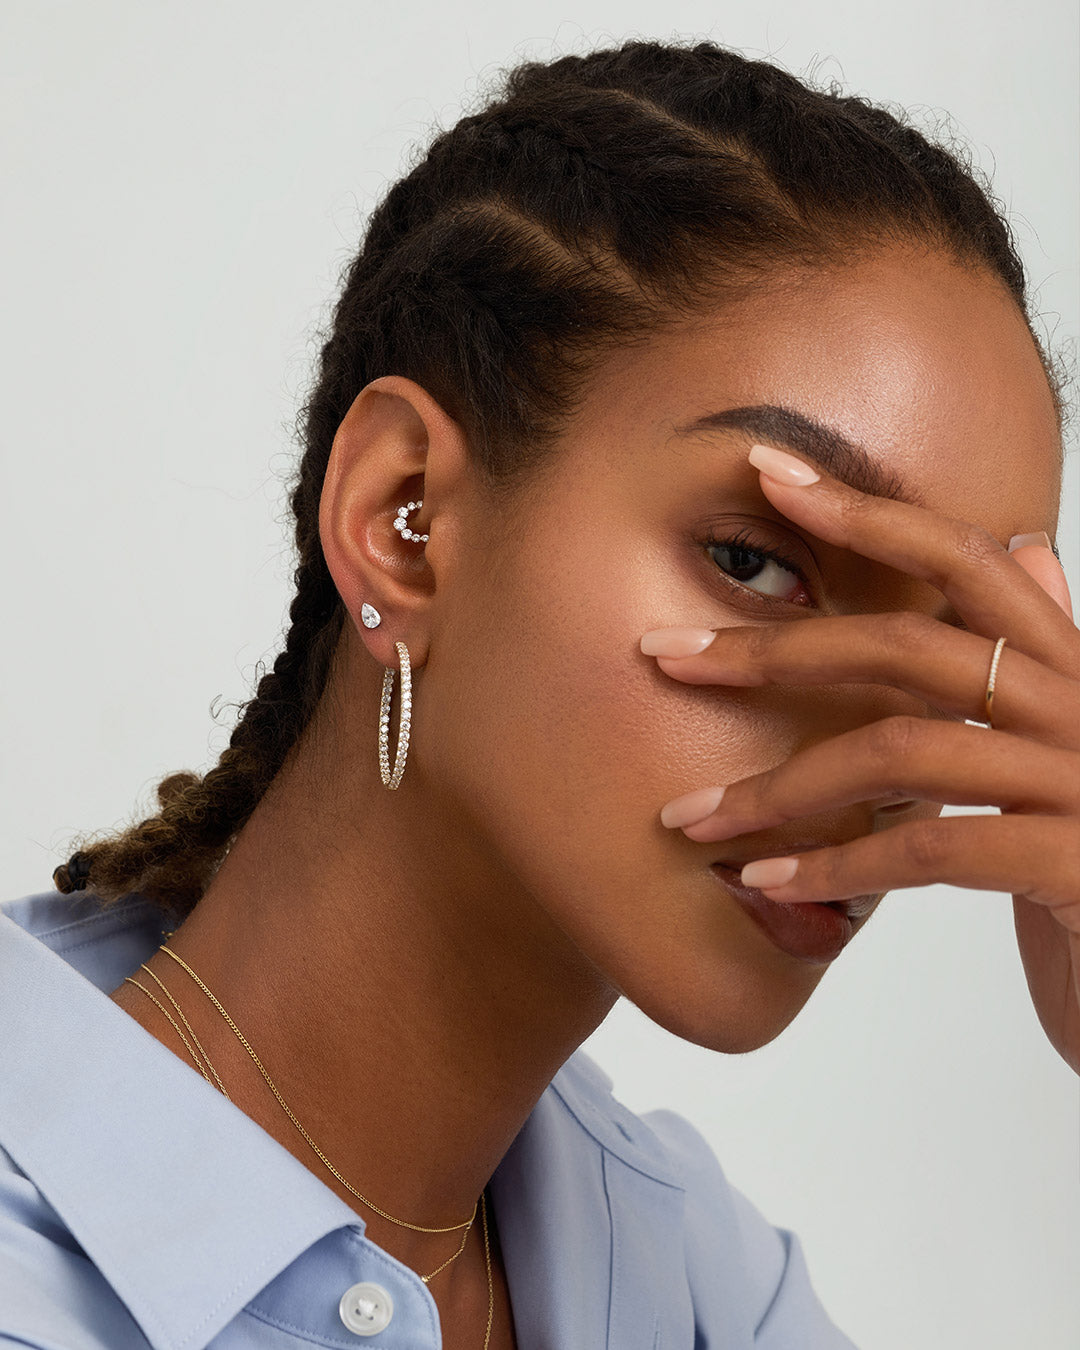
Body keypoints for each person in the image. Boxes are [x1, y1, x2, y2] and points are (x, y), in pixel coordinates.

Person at [1, 35, 1076, 1350]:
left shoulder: (689, 1275)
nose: (887, 753)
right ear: (406, 518)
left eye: (956, 650)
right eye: (758, 562)